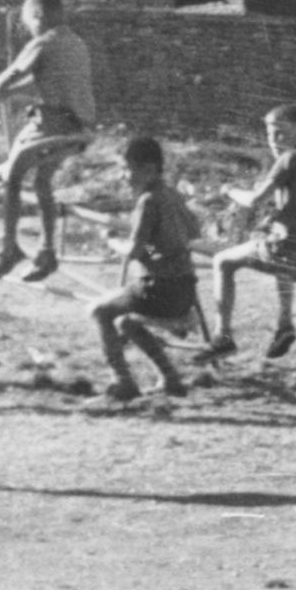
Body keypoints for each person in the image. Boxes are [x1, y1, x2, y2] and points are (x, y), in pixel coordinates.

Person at [0, 0, 95, 282]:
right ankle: (47, 250)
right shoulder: (75, 43)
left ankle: (10, 246)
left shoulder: (44, 42)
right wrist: (2, 94)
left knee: (11, 177)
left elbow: (12, 73)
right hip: (80, 127)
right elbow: (37, 79)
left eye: (27, 23)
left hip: (52, 127)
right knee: (41, 181)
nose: (28, 29)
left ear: (38, 17)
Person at [208, 103, 296, 361]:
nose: (275, 141)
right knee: (277, 244)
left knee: (221, 262)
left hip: (292, 250)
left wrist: (229, 191)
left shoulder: (288, 159)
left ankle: (222, 336)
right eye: (270, 135)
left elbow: (255, 200)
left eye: (282, 133)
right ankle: (284, 324)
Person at [89, 136, 200, 402]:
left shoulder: (148, 200)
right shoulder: (173, 194)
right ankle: (170, 378)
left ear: (149, 169)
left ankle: (123, 381)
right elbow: (192, 232)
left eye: (128, 168)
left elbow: (137, 251)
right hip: (185, 288)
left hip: (160, 289)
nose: (124, 176)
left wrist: (113, 242)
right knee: (126, 323)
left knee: (99, 311)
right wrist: (152, 246)